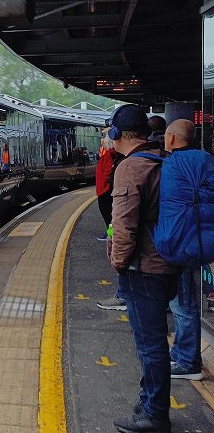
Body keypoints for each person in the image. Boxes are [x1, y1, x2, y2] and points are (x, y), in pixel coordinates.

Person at [107, 104, 178, 433]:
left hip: (143, 269)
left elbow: (124, 228)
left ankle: (155, 414)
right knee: (155, 342)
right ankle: (149, 400)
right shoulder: (164, 159)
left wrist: (119, 264)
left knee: (150, 345)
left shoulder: (130, 168)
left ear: (116, 133)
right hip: (168, 263)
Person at [164, 119, 203, 380]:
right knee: (184, 301)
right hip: (197, 238)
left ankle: (188, 361)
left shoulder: (176, 164)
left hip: (183, 241)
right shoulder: (205, 160)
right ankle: (181, 353)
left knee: (184, 304)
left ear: (172, 139)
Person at [96, 131, 127, 311]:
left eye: (107, 135)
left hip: (119, 222)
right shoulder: (114, 157)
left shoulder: (120, 161)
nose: (103, 139)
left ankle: (123, 296)